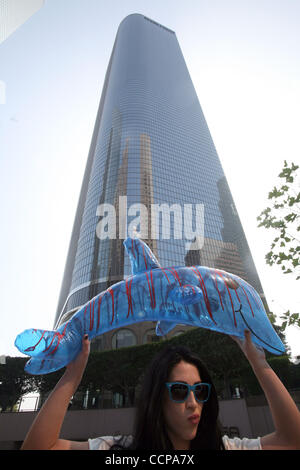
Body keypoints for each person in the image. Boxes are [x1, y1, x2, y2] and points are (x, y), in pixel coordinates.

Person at [21, 330, 300, 450]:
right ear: (157, 398)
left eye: (200, 391)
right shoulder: (119, 449)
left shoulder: (226, 447)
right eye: (179, 391)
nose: (193, 403)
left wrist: (259, 364)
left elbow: (292, 441)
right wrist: (73, 375)